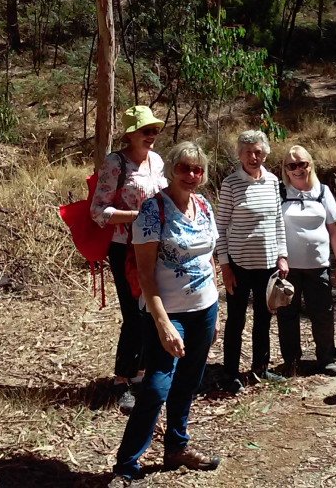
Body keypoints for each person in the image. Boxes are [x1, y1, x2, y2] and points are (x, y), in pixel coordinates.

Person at [110, 141, 220, 485]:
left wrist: (215, 305)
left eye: (197, 169)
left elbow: (209, 255)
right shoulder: (152, 211)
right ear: (171, 169)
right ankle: (127, 465)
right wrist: (162, 324)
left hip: (204, 308)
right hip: (166, 313)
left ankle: (176, 447)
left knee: (188, 382)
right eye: (184, 168)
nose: (191, 175)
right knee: (157, 387)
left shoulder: (203, 204)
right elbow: (144, 276)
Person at [91, 105, 167, 415]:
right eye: (145, 131)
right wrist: (138, 216)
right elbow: (99, 211)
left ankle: (142, 374)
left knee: (153, 309)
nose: (151, 136)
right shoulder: (115, 163)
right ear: (130, 134)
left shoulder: (158, 161)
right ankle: (123, 380)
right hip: (126, 247)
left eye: (154, 131)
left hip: (155, 244)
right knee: (134, 314)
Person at [216, 130, 288, 394]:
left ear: (265, 153)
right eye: (247, 152)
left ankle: (260, 367)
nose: (253, 157)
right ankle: (230, 373)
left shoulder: (272, 182)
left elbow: (278, 221)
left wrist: (282, 255)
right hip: (239, 265)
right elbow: (221, 227)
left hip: (268, 265)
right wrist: (225, 266)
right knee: (236, 319)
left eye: (258, 152)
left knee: (264, 318)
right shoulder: (231, 184)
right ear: (239, 154)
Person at [277, 145, 336, 378]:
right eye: (292, 165)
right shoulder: (280, 192)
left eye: (302, 164)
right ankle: (292, 362)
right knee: (287, 315)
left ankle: (326, 359)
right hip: (288, 268)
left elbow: (335, 228)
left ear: (311, 165)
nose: (298, 169)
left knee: (323, 313)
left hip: (318, 266)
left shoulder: (323, 191)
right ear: (286, 170)